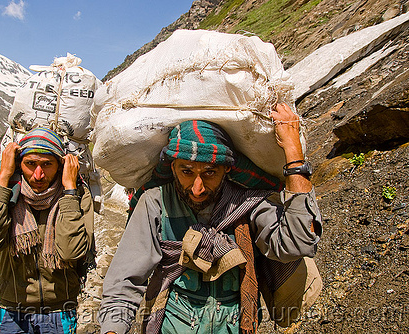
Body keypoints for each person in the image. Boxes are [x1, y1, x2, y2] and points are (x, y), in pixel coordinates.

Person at [98, 103, 322, 334]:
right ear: (172, 167)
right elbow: (124, 281)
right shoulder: (155, 203)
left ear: (227, 169)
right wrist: (113, 328)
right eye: (187, 172)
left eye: (209, 173)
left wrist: (294, 155)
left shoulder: (247, 203)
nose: (197, 188)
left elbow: (297, 243)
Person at [0, 127, 94, 334]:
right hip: (12, 309)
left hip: (60, 310)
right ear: (19, 165)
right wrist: (3, 178)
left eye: (47, 164)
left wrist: (69, 192)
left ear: (60, 166)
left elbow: (71, 252)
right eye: (30, 164)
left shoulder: (76, 197)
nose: (38, 174)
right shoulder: (10, 195)